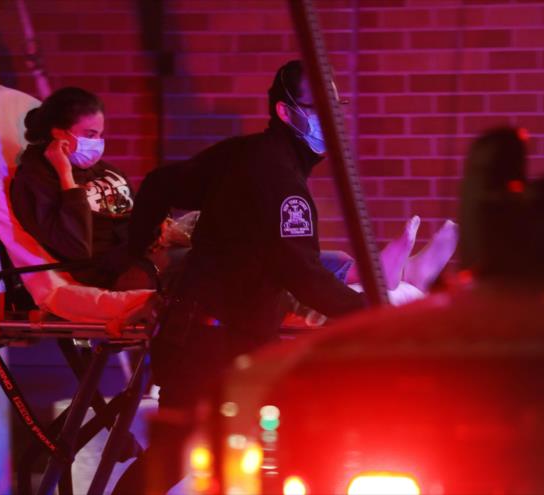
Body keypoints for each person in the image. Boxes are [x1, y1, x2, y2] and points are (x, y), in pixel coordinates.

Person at [112, 60, 369, 493]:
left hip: (199, 335)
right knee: (208, 454)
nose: (333, 118)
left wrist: (131, 256)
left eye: (337, 106)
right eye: (320, 106)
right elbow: (303, 275)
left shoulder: (240, 155)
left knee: (192, 454)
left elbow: (159, 184)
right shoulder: (282, 182)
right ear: (287, 112)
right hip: (218, 345)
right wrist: (371, 316)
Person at [10, 87, 158, 290]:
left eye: (99, 135)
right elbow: (76, 247)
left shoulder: (104, 170)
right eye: (90, 135)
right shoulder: (35, 180)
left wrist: (159, 224)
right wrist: (65, 175)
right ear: (58, 133)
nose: (97, 143)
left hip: (143, 254)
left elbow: (135, 213)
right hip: (106, 271)